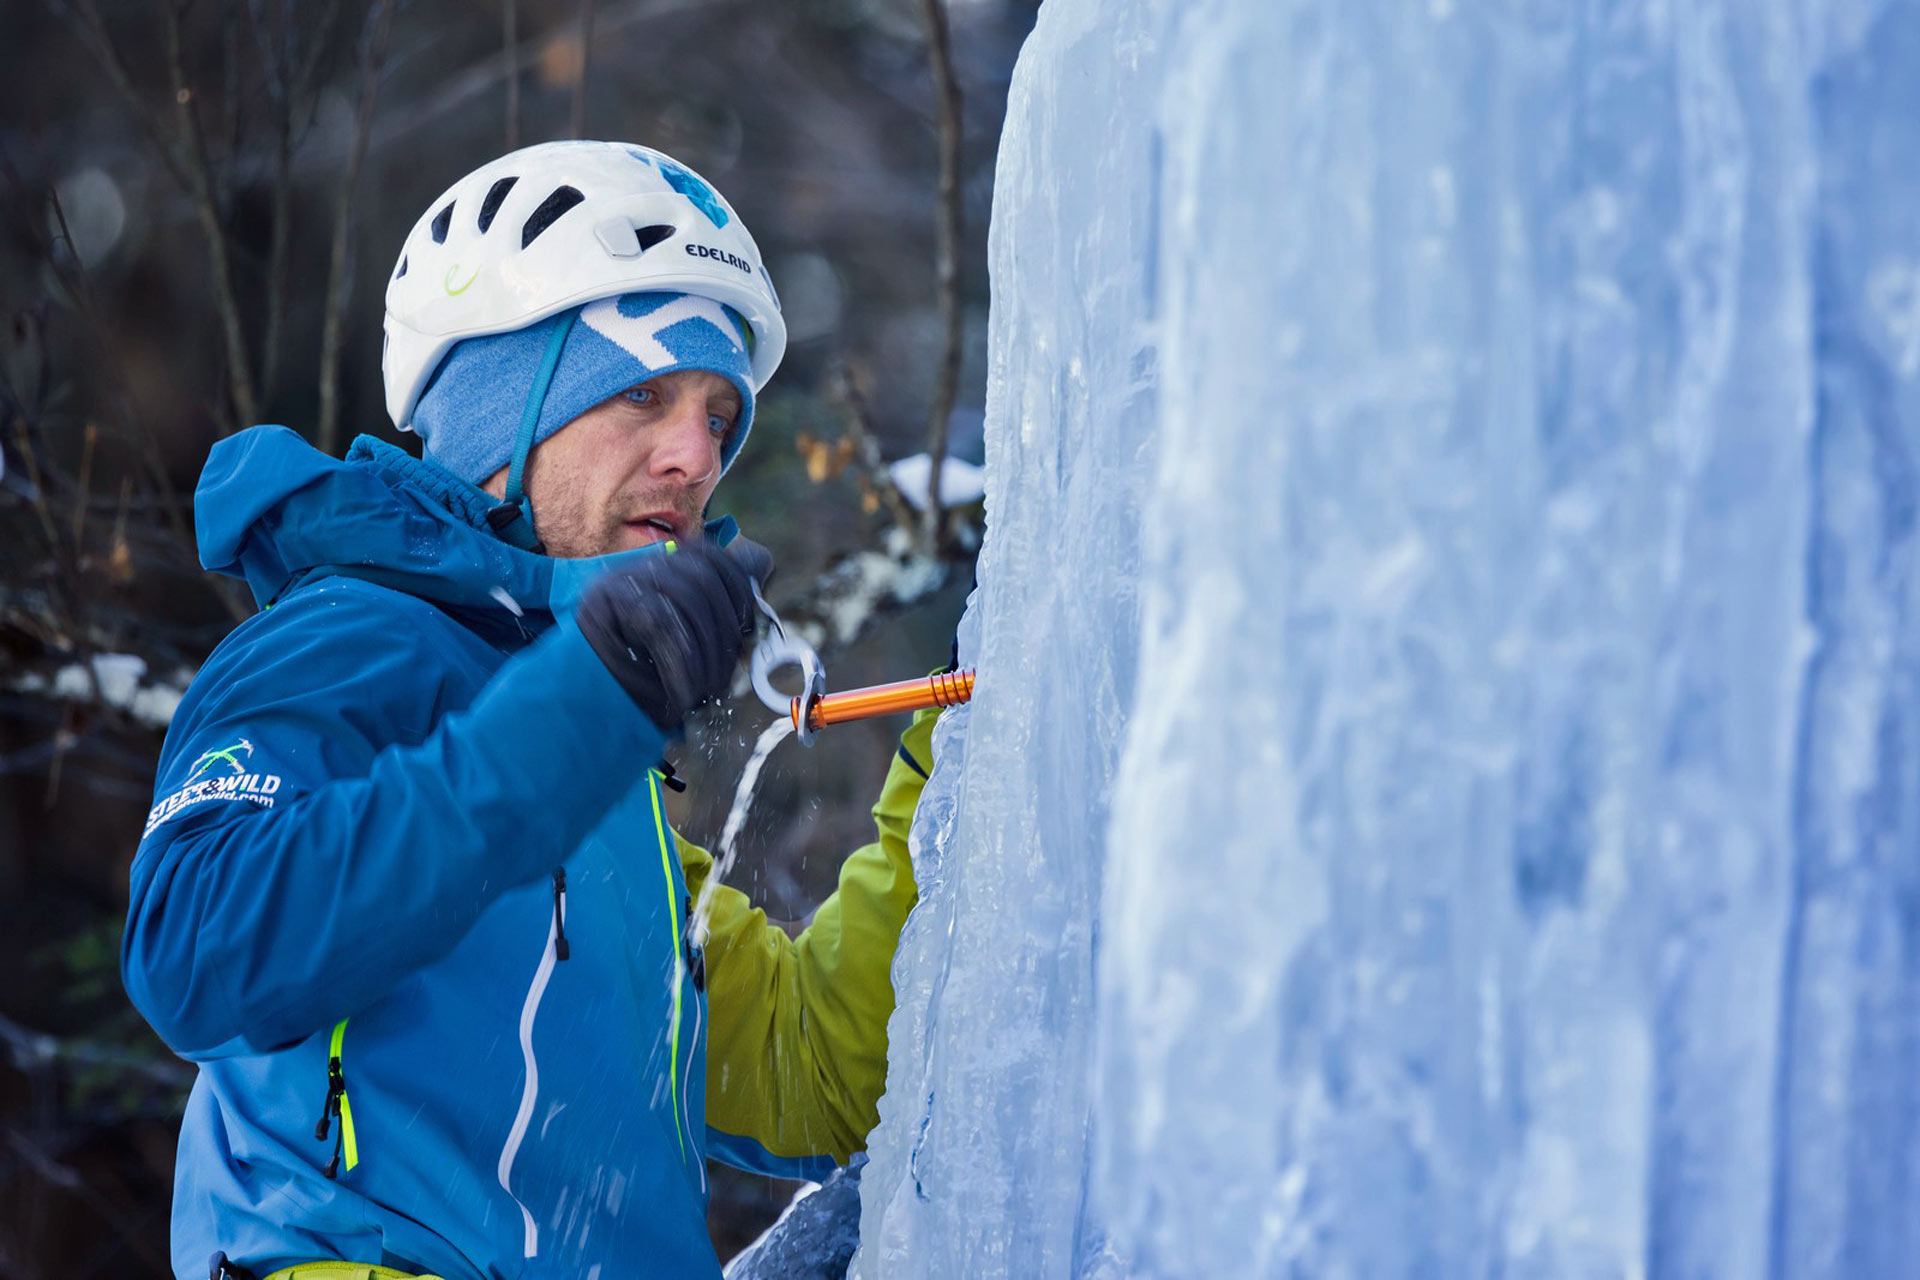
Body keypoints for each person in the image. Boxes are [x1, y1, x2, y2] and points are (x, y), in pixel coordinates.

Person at [122, 140, 938, 1279]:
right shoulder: (347, 638)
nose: (696, 455)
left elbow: (816, 1076)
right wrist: (594, 695)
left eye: (719, 416)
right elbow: (198, 947)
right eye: (644, 392)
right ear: (503, 412)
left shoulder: (605, 776)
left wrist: (959, 759)